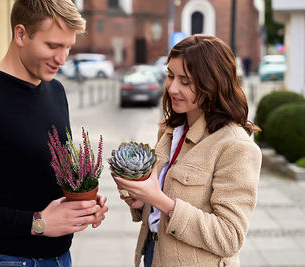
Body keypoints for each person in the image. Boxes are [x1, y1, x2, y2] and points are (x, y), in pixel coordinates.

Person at [0, 0, 108, 266]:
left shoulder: (56, 92)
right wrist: (37, 223)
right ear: (21, 34)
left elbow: (42, 174)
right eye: (52, 46)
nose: (62, 59)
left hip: (61, 259)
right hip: (4, 260)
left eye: (68, 47)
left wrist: (82, 200)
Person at [112, 35, 262, 267]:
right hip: (154, 255)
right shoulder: (170, 131)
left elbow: (229, 236)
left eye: (186, 81)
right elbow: (157, 207)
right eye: (170, 76)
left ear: (213, 83)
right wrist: (141, 201)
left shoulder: (235, 146)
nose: (172, 88)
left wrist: (160, 200)